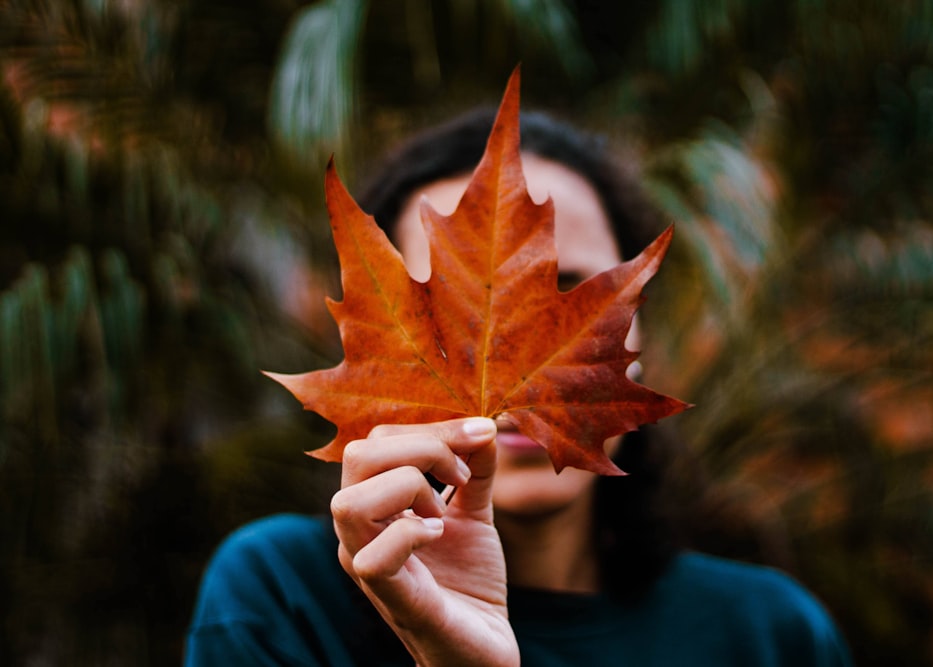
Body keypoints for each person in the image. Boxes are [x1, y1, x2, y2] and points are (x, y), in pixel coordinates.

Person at [184, 108, 854, 666]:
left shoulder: (770, 636)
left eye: (571, 296)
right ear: (375, 360)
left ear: (635, 345)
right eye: (451, 317)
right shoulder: (281, 596)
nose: (509, 354)